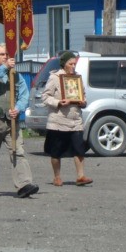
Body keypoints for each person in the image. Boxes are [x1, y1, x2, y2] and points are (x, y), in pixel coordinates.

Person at [0, 43, 39, 198]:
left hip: (11, 120)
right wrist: (4, 68)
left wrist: (18, 108)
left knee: (18, 152)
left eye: (7, 54)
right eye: (2, 54)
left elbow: (24, 95)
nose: (6, 57)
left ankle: (24, 185)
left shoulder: (15, 75)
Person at [41, 51, 93, 187]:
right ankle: (57, 177)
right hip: (58, 121)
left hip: (75, 121)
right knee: (56, 151)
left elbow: (83, 95)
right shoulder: (55, 77)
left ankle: (81, 176)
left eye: (74, 64)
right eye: (71, 64)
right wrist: (58, 102)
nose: (73, 66)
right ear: (64, 64)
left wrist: (83, 102)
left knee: (79, 149)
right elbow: (45, 97)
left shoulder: (77, 78)